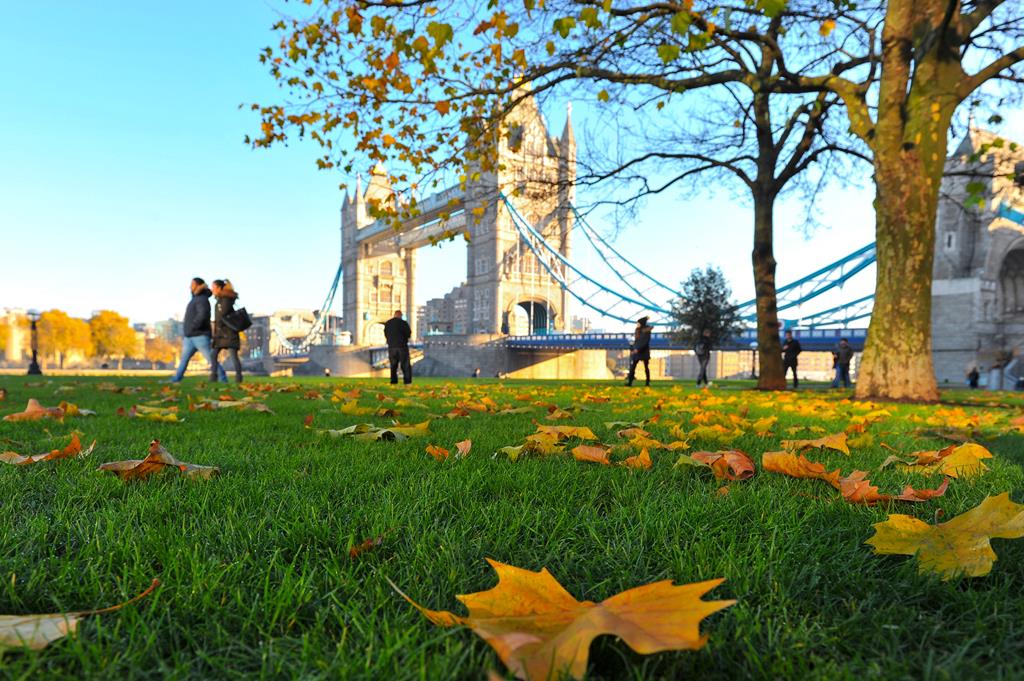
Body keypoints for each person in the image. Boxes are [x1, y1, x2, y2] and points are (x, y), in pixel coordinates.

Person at [170, 277, 226, 383]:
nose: (190, 287)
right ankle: (176, 379)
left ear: (199, 286)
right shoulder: (195, 299)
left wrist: (193, 326)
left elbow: (202, 315)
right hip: (190, 336)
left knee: (210, 359)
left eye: (192, 284)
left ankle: (223, 378)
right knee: (184, 359)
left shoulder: (202, 299)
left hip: (200, 336)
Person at [210, 279, 243, 384]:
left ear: (219, 288)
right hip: (222, 334)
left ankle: (238, 377)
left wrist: (217, 329)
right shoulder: (220, 301)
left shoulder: (225, 300)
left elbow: (222, 316)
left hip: (228, 333)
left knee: (233, 356)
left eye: (214, 287)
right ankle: (214, 376)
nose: (212, 289)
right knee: (213, 355)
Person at [383, 309, 412, 385]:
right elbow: (408, 333)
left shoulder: (388, 323)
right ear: (400, 315)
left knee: (393, 365)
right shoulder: (403, 323)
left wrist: (390, 340)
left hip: (392, 347)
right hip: (402, 346)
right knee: (405, 365)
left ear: (394, 315)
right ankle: (407, 381)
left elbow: (386, 334)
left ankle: (393, 381)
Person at [626, 316, 653, 387]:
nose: (637, 324)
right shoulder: (638, 330)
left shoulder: (646, 331)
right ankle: (630, 382)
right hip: (638, 351)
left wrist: (637, 349)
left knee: (645, 367)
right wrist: (633, 348)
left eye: (638, 323)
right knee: (634, 367)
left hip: (643, 351)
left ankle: (647, 382)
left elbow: (645, 342)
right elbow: (637, 341)